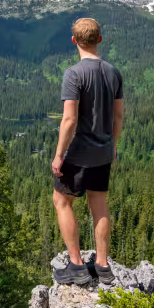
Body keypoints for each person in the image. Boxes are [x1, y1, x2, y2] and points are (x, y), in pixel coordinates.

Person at [51, 17, 123, 286]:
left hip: (79, 152)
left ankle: (77, 266)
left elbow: (69, 120)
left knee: (62, 201)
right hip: (104, 151)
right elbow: (117, 116)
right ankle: (103, 266)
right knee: (99, 205)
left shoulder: (74, 74)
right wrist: (112, 145)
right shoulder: (113, 72)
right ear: (99, 39)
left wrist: (59, 155)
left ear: (74, 41)